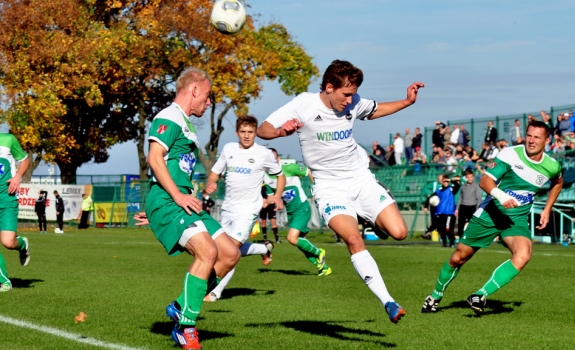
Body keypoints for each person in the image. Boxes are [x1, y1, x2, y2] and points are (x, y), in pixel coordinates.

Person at [257, 59, 424, 323]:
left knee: (400, 233)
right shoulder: (304, 104)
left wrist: (407, 101)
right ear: (329, 87)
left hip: (360, 179)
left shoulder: (353, 101)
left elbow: (376, 109)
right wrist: (280, 131)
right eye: (346, 94)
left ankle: (366, 215)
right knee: (354, 240)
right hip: (329, 187)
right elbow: (262, 129)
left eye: (353, 94)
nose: (350, 99)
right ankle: (389, 302)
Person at [422, 121, 563, 315]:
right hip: (490, 214)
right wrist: (502, 196)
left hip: (516, 219)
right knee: (458, 258)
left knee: (523, 254)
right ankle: (435, 296)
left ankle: (479, 295)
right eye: (529, 135)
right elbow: (485, 181)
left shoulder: (552, 165)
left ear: (547, 141)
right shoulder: (510, 154)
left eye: (537, 137)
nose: (531, 141)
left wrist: (547, 208)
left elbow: (558, 182)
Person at [145, 67, 240, 349]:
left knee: (229, 254)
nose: (209, 102)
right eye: (208, 95)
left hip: (181, 201)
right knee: (208, 252)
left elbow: (173, 165)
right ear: (194, 90)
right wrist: (174, 196)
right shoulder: (169, 116)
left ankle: (181, 306)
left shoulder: (185, 124)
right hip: (170, 201)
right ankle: (185, 327)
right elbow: (154, 157)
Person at [204, 115, 285, 303]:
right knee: (221, 249)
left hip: (248, 210)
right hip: (228, 208)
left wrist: (277, 196)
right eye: (243, 132)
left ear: (256, 133)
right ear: (237, 133)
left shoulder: (263, 153)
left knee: (229, 252)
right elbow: (215, 172)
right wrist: (211, 183)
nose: (247, 136)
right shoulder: (229, 149)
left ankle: (215, 291)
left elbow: (280, 176)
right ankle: (263, 249)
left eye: (250, 132)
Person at [264, 148, 332, 276]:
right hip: (291, 213)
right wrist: (270, 203)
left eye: (274, 159)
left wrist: (316, 190)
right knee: (300, 242)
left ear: (278, 159)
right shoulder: (266, 177)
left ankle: (319, 252)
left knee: (291, 238)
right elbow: (271, 197)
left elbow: (309, 172)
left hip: (302, 207)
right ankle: (323, 267)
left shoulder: (289, 168)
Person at [0, 133, 31, 292]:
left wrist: (18, 177)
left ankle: (22, 244)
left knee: (8, 242)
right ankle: (4, 282)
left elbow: (25, 160)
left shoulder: (8, 140)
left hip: (7, 198)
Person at [426, 174, 461, 247]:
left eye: (447, 181)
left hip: (449, 213)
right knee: (441, 229)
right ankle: (444, 243)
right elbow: (431, 197)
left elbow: (457, 185)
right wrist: (426, 205)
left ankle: (452, 242)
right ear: (442, 182)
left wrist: (451, 180)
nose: (445, 183)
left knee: (448, 229)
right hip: (440, 213)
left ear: (448, 182)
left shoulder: (451, 189)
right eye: (444, 181)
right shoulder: (438, 191)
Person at [456, 170, 482, 241]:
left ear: (473, 177)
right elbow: (460, 198)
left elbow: (478, 198)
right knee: (461, 223)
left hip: (472, 207)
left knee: (472, 223)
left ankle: (472, 237)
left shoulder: (476, 186)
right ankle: (461, 237)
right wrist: (457, 208)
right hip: (463, 207)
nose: (469, 178)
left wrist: (477, 209)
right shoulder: (463, 186)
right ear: (466, 177)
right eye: (468, 177)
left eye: (471, 177)